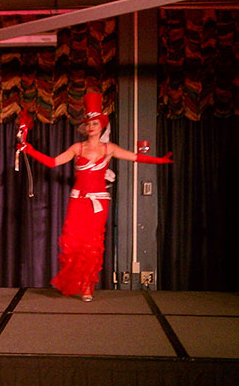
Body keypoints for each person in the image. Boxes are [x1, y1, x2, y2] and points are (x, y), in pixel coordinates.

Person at [17, 92, 172, 301]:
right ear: (85, 127)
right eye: (89, 124)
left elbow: (135, 157)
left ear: (102, 126)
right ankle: (75, 281)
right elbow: (53, 163)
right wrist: (30, 150)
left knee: (92, 243)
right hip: (78, 201)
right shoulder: (77, 148)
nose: (92, 127)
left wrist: (159, 161)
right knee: (74, 242)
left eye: (95, 123)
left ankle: (88, 285)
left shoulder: (110, 149)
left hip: (98, 202)